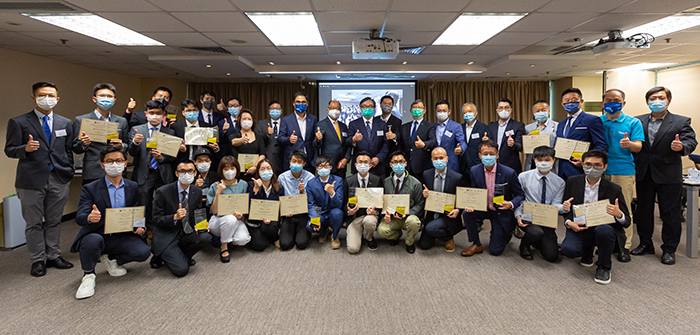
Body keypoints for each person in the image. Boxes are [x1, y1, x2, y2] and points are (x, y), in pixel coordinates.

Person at [5, 81, 75, 277]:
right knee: (34, 223)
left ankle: (53, 255)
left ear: (57, 99)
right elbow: (9, 150)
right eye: (43, 95)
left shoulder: (64, 123)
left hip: (58, 178)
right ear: (33, 97)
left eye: (51, 95)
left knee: (54, 220)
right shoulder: (19, 122)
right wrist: (24, 149)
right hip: (31, 180)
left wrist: (67, 170)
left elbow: (67, 150)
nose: (47, 99)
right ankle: (37, 260)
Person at [72, 145, 150, 299]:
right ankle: (88, 276)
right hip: (98, 233)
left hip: (121, 234)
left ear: (125, 163)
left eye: (119, 160)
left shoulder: (132, 186)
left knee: (143, 252)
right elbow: (80, 216)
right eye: (110, 161)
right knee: (91, 241)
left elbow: (136, 212)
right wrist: (89, 217)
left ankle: (112, 259)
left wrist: (140, 227)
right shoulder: (90, 188)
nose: (115, 164)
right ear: (102, 165)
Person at [632, 86, 697, 265]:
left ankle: (669, 249)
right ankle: (646, 244)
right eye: (652, 98)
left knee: (670, 213)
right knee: (644, 212)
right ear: (647, 101)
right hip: (644, 173)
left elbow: (691, 141)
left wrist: (682, 147)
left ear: (668, 100)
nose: (656, 101)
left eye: (660, 97)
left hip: (668, 174)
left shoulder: (680, 121)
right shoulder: (638, 121)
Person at [560, 150, 630, 284]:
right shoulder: (573, 182)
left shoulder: (614, 189)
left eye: (597, 165)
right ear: (582, 165)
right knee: (568, 250)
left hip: (603, 228)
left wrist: (618, 214)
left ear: (605, 167)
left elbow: (626, 221)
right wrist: (569, 222)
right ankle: (587, 252)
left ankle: (604, 267)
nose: (592, 168)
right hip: (580, 226)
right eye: (588, 164)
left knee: (604, 230)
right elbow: (567, 208)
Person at [599, 89, 644, 262]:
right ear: (603, 103)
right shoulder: (598, 121)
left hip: (623, 171)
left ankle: (624, 246)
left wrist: (629, 144)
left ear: (623, 103)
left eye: (616, 100)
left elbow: (638, 147)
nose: (612, 103)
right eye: (608, 100)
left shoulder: (633, 122)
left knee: (623, 209)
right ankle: (603, 242)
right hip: (600, 170)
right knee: (601, 208)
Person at [461, 139, 524, 257]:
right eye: (485, 154)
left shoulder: (509, 173)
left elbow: (520, 195)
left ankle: (507, 232)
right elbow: (474, 192)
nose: (488, 156)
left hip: (500, 211)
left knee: (495, 251)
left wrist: (510, 204)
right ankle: (476, 243)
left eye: (492, 154)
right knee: (466, 213)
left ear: (497, 155)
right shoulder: (475, 171)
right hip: (483, 207)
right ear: (480, 156)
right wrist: (470, 204)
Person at [151, 160, 212, 277]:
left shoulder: (197, 192)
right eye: (182, 171)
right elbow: (156, 219)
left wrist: (200, 224)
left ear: (195, 173)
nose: (186, 174)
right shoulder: (163, 191)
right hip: (167, 233)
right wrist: (174, 217)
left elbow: (196, 213)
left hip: (185, 231)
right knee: (181, 271)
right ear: (176, 173)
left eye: (190, 171)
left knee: (205, 236)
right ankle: (160, 255)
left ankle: (181, 256)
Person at [128, 99, 181, 229]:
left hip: (163, 174)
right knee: (143, 204)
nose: (154, 116)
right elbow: (131, 153)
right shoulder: (136, 130)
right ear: (146, 114)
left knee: (164, 203)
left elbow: (173, 156)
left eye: (158, 113)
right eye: (151, 113)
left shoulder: (170, 132)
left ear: (163, 114)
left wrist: (161, 157)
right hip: (144, 173)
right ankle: (142, 231)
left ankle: (161, 231)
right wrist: (135, 142)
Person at [514, 146, 565, 262]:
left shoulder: (560, 182)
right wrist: (518, 215)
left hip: (546, 220)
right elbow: (518, 198)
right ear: (534, 160)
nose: (543, 163)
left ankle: (537, 242)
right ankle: (524, 245)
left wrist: (563, 207)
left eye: (547, 160)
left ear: (553, 160)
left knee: (552, 256)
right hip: (528, 217)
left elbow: (555, 204)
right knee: (536, 232)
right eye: (539, 160)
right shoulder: (523, 177)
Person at [72, 83, 129, 185]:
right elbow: (75, 147)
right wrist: (83, 144)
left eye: (109, 96)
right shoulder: (81, 120)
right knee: (93, 200)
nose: (106, 98)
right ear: (94, 99)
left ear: (114, 101)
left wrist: (122, 145)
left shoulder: (121, 121)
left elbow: (127, 144)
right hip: (93, 170)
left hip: (117, 170)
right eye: (102, 96)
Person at [418, 147, 464, 252]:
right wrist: (424, 194)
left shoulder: (457, 177)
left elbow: (461, 199)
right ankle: (437, 231)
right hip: (432, 213)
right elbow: (424, 195)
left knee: (430, 229)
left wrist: (458, 210)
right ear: (432, 160)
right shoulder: (427, 174)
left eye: (441, 157)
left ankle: (448, 236)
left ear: (447, 159)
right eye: (435, 158)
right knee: (424, 245)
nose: (439, 160)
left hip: (448, 215)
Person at [556, 88, 608, 180]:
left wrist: (586, 161)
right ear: (562, 104)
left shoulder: (592, 120)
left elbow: (601, 145)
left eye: (574, 100)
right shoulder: (561, 124)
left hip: (582, 170)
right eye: (567, 101)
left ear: (581, 101)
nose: (571, 102)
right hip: (562, 171)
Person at [378, 151, 424, 253]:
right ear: (390, 165)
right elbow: (382, 202)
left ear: (405, 163)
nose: (398, 164)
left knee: (414, 222)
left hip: (408, 216)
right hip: (392, 217)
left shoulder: (415, 183)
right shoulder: (385, 182)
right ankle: (396, 236)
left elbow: (420, 203)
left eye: (401, 161)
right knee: (382, 230)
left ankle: (409, 242)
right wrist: (385, 214)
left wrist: (408, 213)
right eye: (395, 162)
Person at [207, 156, 251, 262]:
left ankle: (227, 236)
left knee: (243, 240)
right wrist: (218, 192)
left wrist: (242, 215)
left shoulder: (243, 184)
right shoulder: (215, 185)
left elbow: (245, 206)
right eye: (226, 169)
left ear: (237, 169)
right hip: (218, 220)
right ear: (221, 171)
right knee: (230, 219)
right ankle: (224, 246)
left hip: (237, 220)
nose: (229, 171)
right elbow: (214, 211)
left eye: (232, 168)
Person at [344, 151, 382, 253]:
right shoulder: (348, 181)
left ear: (370, 165)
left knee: (370, 221)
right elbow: (343, 202)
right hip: (354, 217)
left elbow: (381, 202)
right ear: (355, 165)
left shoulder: (377, 180)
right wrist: (349, 211)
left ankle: (369, 237)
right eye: (360, 162)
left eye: (366, 162)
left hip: (370, 216)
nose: (363, 165)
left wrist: (375, 212)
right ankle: (358, 233)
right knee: (353, 249)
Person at [277, 149, 314, 250]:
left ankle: (301, 233)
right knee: (285, 245)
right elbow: (278, 198)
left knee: (301, 244)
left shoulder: (310, 177)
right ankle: (291, 232)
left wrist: (302, 192)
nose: (296, 164)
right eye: (294, 161)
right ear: (289, 162)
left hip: (303, 214)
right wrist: (283, 213)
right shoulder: (282, 178)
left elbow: (312, 200)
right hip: (288, 215)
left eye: (299, 162)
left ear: (304, 164)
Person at [305, 155, 344, 249]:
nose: (323, 168)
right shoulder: (311, 183)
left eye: (326, 166)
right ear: (317, 168)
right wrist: (315, 219)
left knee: (338, 213)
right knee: (310, 226)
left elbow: (339, 204)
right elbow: (311, 204)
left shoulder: (338, 181)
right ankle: (323, 232)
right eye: (320, 166)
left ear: (331, 167)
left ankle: (334, 236)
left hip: (333, 211)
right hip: (319, 212)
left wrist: (332, 193)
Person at [246, 159, 285, 251]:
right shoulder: (251, 186)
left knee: (271, 226)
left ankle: (273, 237)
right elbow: (248, 208)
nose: (266, 171)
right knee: (259, 246)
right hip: (255, 222)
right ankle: (264, 236)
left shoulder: (278, 187)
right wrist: (256, 191)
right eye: (262, 169)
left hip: (270, 221)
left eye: (268, 168)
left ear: (273, 171)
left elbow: (281, 206)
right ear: (258, 172)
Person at [347, 97, 389, 177]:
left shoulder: (382, 124)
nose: (367, 108)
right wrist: (354, 140)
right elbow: (347, 142)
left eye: (370, 106)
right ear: (360, 108)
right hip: (360, 165)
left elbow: (386, 144)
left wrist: (378, 158)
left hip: (377, 165)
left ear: (374, 108)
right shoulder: (353, 124)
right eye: (365, 106)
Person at [170, 99, 219, 165]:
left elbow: (213, 148)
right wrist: (181, 150)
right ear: (183, 113)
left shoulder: (207, 127)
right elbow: (172, 149)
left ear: (198, 111)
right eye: (188, 110)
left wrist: (215, 149)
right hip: (184, 163)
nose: (192, 113)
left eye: (194, 110)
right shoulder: (176, 127)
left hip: (203, 163)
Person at [278, 92, 318, 171]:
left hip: (309, 160)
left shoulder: (313, 119)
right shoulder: (286, 120)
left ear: (307, 104)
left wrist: (318, 138)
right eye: (298, 102)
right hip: (293, 160)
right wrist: (289, 139)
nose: (301, 104)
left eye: (303, 102)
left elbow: (314, 140)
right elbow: (280, 138)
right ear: (293, 103)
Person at [400, 99, 436, 184]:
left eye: (419, 108)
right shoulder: (404, 127)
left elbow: (433, 141)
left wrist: (424, 144)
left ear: (424, 111)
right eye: (414, 108)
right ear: (410, 110)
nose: (417, 110)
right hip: (406, 167)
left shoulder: (429, 126)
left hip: (422, 166)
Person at [487, 98, 526, 173]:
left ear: (511, 110)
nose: (503, 110)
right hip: (492, 164)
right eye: (501, 108)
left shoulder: (518, 125)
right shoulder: (491, 126)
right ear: (497, 110)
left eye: (506, 108)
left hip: (511, 165)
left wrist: (513, 144)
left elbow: (520, 146)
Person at [314, 100, 351, 178]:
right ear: (328, 110)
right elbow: (317, 145)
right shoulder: (321, 124)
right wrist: (318, 139)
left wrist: (346, 158)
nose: (335, 110)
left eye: (337, 108)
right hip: (328, 165)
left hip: (341, 165)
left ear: (340, 111)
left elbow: (347, 144)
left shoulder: (343, 126)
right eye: (332, 108)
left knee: (340, 187)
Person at [229, 109, 266, 181]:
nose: (247, 121)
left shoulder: (258, 136)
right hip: (238, 173)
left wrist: (255, 167)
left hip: (255, 173)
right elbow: (233, 142)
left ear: (253, 121)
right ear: (239, 121)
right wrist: (241, 140)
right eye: (244, 119)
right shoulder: (234, 135)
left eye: (249, 119)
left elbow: (262, 154)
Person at [432, 100, 467, 173]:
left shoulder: (456, 126)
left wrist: (460, 149)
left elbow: (462, 142)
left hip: (451, 164)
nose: (442, 113)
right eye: (439, 111)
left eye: (444, 110)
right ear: (435, 112)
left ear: (449, 111)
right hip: (434, 164)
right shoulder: (432, 127)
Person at [459, 102, 491, 181]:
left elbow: (489, 144)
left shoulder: (483, 127)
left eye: (470, 112)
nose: (467, 114)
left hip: (477, 164)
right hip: (462, 166)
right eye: (465, 112)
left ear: (476, 113)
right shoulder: (460, 127)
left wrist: (486, 141)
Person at [523, 100, 558, 173]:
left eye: (543, 110)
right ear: (533, 113)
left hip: (550, 163)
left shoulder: (557, 126)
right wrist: (527, 141)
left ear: (548, 111)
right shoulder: (527, 128)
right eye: (537, 111)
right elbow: (523, 148)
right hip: (533, 163)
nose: (540, 112)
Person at [257, 100, 283, 174]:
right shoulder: (261, 123)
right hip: (267, 160)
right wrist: (267, 134)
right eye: (272, 109)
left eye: (277, 109)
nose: (275, 111)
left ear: (281, 111)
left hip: (283, 160)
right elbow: (258, 140)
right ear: (268, 111)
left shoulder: (286, 122)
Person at [379, 95, 402, 176]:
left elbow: (399, 135)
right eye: (385, 103)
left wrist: (394, 136)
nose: (387, 105)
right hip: (377, 156)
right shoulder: (375, 120)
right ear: (380, 105)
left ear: (392, 106)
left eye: (389, 104)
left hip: (390, 156)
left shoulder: (397, 121)